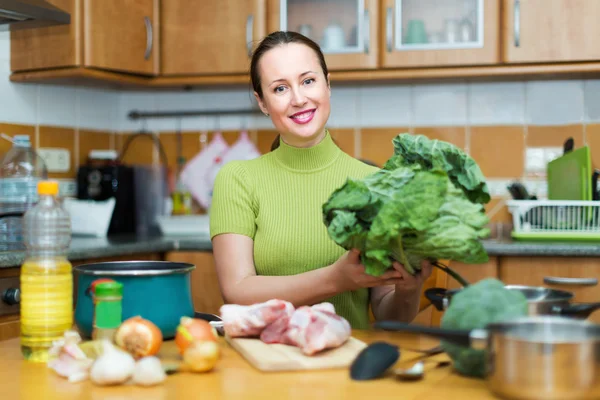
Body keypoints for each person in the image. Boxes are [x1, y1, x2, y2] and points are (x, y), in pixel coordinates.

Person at [209, 31, 432, 330]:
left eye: (308, 81)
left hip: (348, 366)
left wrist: (408, 287)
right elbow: (236, 291)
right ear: (262, 102)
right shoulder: (237, 179)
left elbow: (389, 315)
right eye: (280, 89)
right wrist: (335, 279)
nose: (299, 99)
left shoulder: (376, 184)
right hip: (265, 366)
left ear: (328, 84)